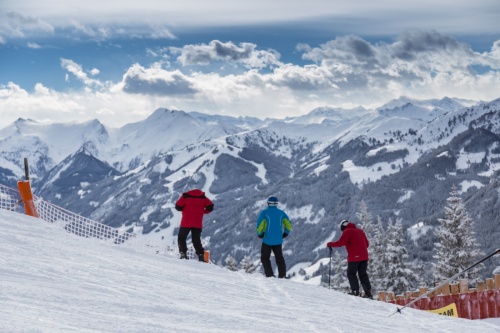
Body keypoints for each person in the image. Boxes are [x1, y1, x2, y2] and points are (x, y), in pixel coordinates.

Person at [327, 219, 373, 299]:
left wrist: (330, 244)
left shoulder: (347, 231)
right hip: (364, 257)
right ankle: (368, 293)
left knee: (351, 273)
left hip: (354, 257)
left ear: (343, 227)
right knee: (363, 274)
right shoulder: (360, 231)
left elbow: (341, 243)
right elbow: (367, 244)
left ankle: (355, 291)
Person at [256, 196, 292, 278]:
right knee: (279, 258)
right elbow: (288, 224)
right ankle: (282, 275)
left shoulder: (264, 213)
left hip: (267, 240)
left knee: (265, 258)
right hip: (278, 240)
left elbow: (259, 225)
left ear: (268, 203)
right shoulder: (281, 213)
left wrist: (260, 234)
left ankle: (269, 274)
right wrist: (286, 233)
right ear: (276, 204)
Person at [175, 188, 214, 262]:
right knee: (196, 240)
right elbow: (211, 207)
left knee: (181, 238)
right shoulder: (202, 197)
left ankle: (183, 254)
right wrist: (204, 211)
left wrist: (184, 209)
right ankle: (202, 256)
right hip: (197, 223)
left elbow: (177, 207)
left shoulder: (185, 196)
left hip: (186, 222)